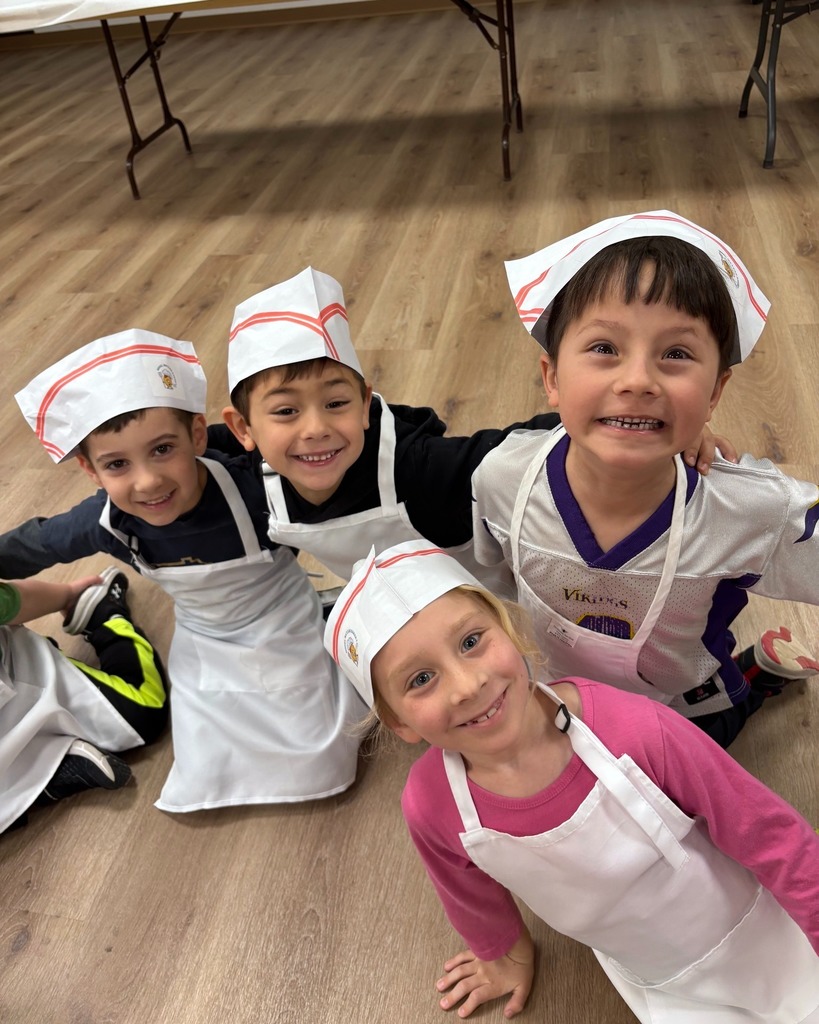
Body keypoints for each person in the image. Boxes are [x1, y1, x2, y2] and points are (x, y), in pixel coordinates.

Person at [324, 539, 819, 1023]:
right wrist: (504, 953)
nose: (467, 685)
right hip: (657, 976)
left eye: (472, 642)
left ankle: (754, 677)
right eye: (420, 680)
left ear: (509, 630)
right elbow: (463, 887)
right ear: (400, 724)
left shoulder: (636, 730)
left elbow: (769, 833)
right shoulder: (431, 802)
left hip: (766, 930)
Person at [471, 210, 819, 748]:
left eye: (676, 354)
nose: (638, 380)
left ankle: (758, 673)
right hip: (565, 697)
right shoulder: (502, 479)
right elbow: (494, 576)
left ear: (715, 393)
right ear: (552, 378)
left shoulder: (751, 510)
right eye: (605, 348)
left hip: (687, 709)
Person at [1, 329, 365, 813]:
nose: (148, 481)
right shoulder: (104, 521)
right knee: (206, 761)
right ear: (91, 471)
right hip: (205, 638)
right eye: (117, 464)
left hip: (284, 617)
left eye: (162, 450)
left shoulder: (255, 490)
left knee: (323, 755)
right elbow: (33, 544)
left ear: (196, 435)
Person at [217, 267, 732, 590]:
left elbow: (522, 441)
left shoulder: (422, 470)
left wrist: (652, 428)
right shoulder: (249, 482)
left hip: (494, 597)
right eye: (285, 412)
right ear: (244, 429)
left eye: (336, 403)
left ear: (367, 403)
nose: (315, 430)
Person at [2, 567, 168, 833]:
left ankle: (102, 615)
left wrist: (67, 596)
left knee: (140, 712)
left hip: (25, 680)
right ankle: (48, 775)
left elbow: (13, 601)